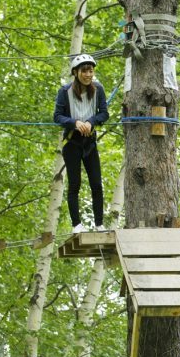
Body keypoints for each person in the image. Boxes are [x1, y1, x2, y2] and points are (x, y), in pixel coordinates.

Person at [54, 53, 109, 233]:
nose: (88, 75)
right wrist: (75, 123)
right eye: (84, 71)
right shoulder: (65, 92)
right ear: (76, 72)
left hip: (90, 142)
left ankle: (99, 224)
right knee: (75, 184)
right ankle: (76, 225)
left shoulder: (98, 89)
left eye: (90, 71)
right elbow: (57, 116)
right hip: (72, 142)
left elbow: (104, 113)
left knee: (96, 183)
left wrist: (91, 122)